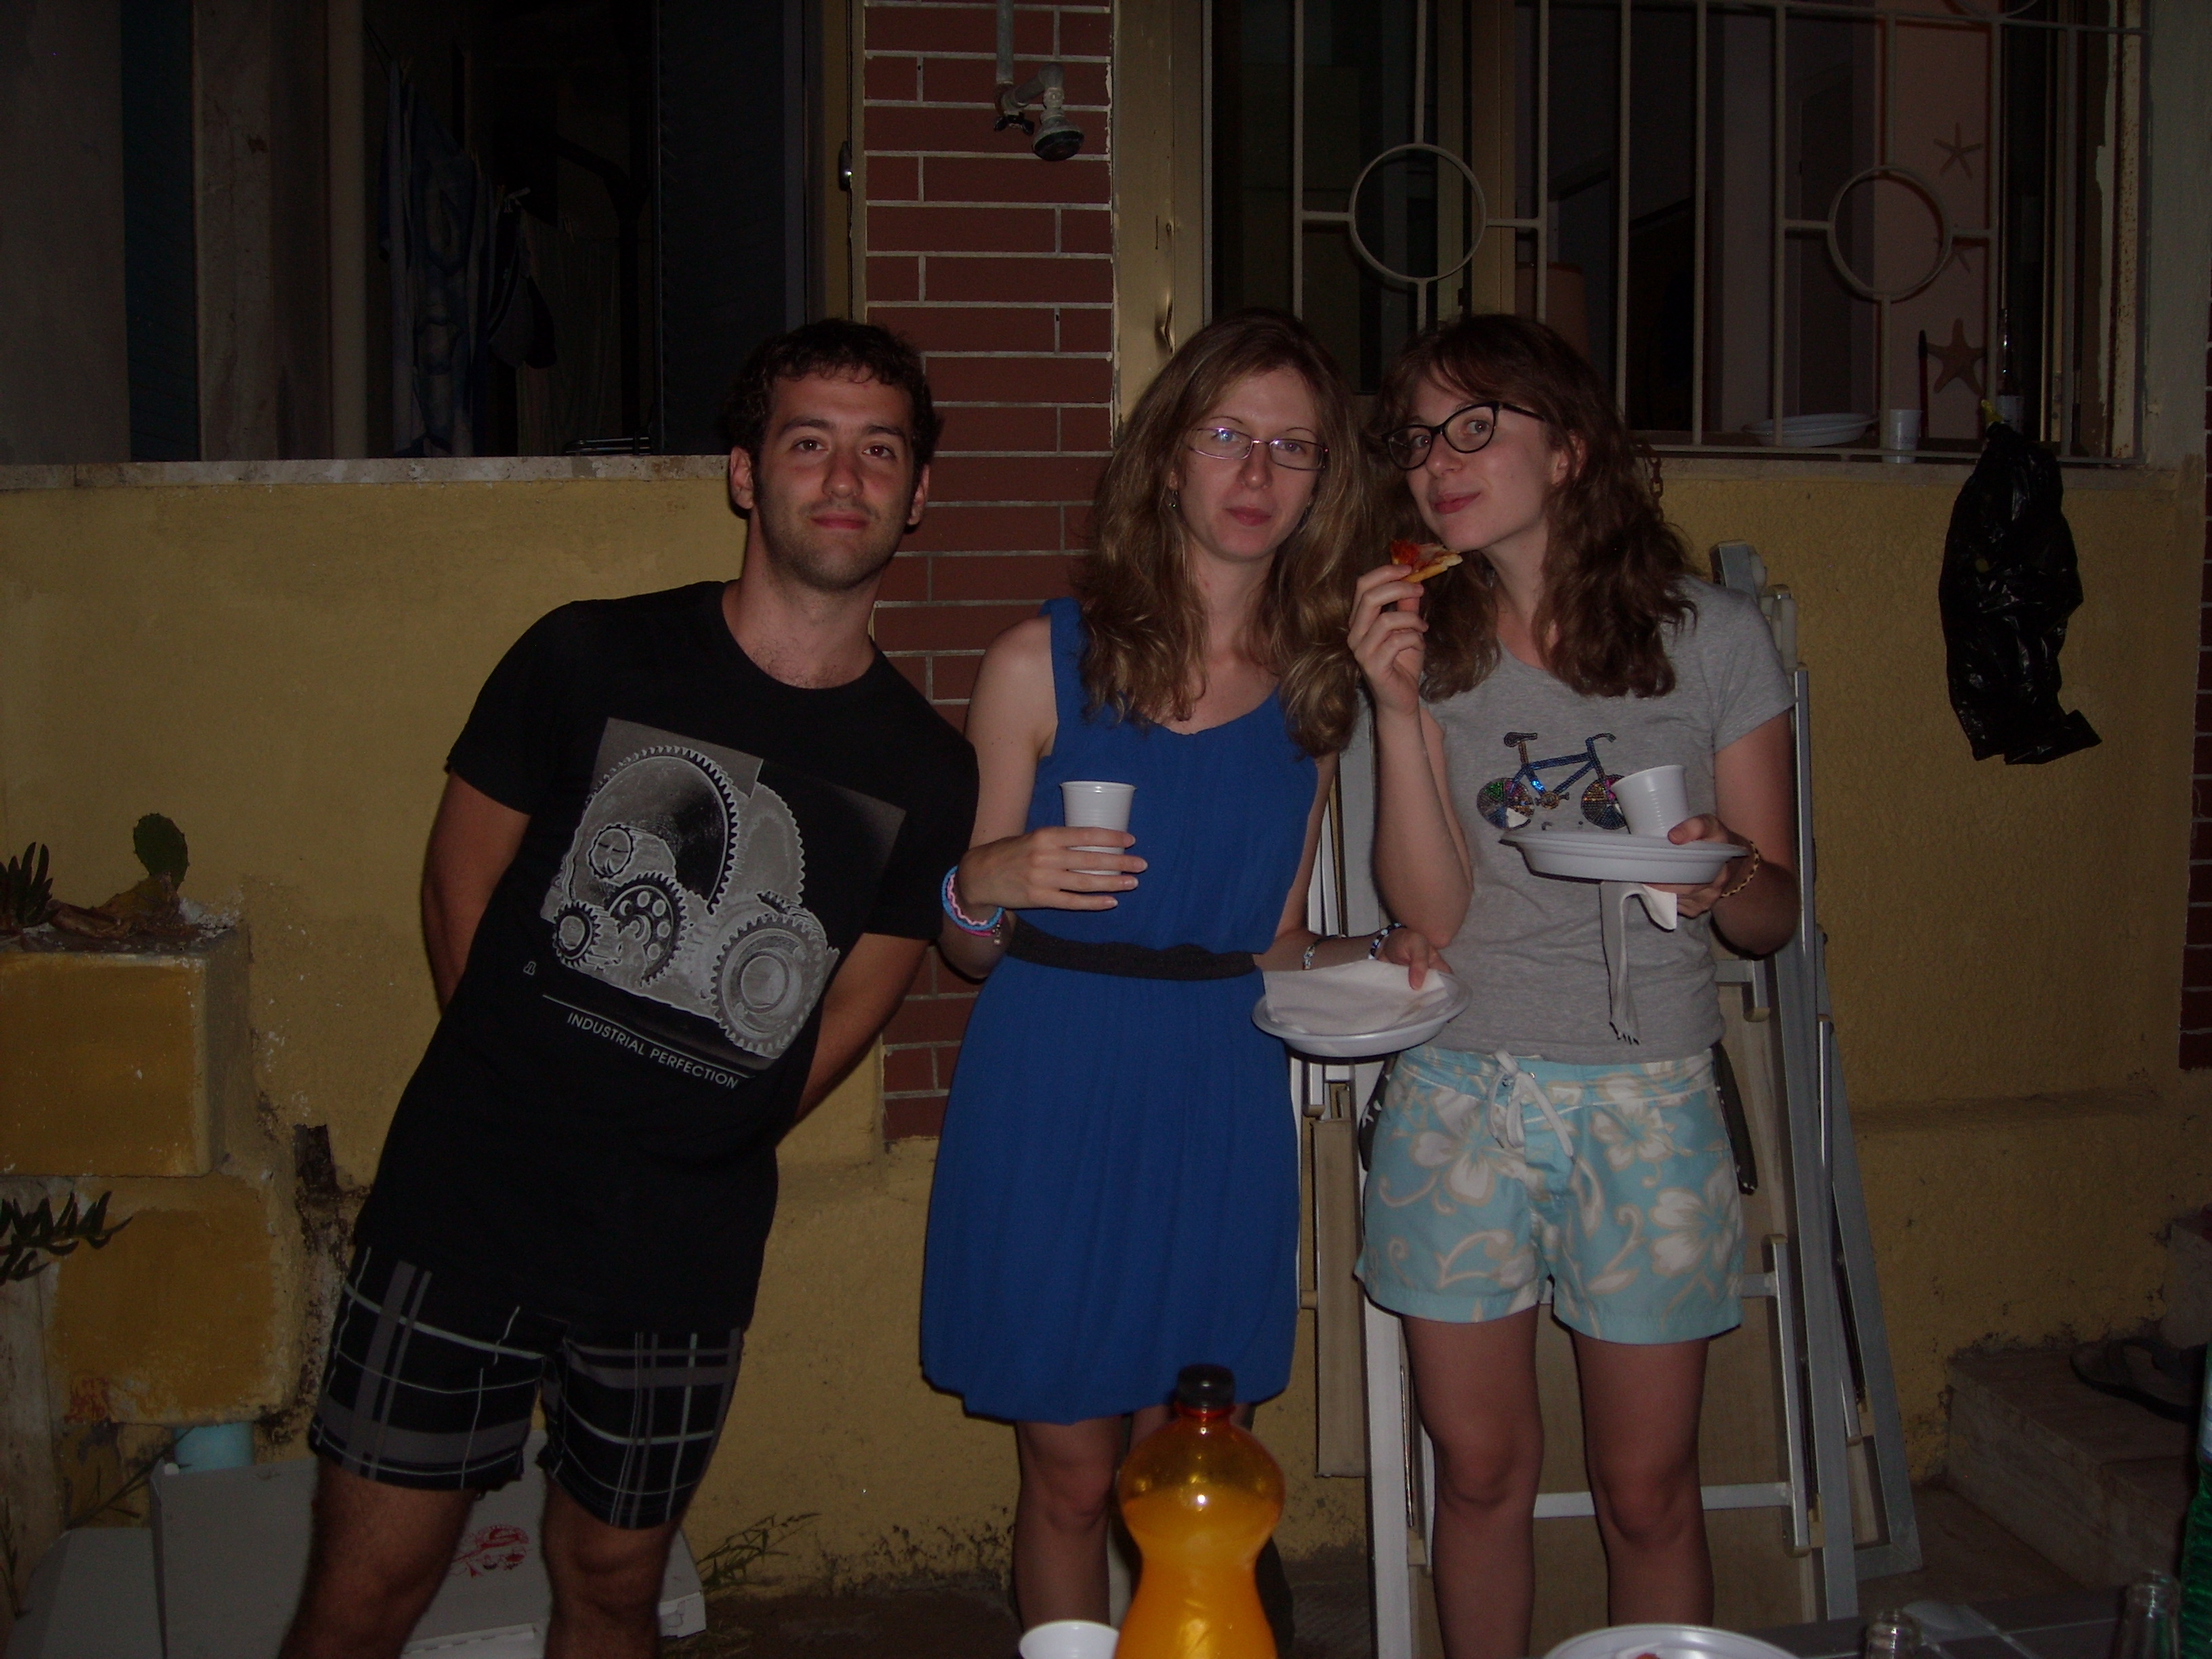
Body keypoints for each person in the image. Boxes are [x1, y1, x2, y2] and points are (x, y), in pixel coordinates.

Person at [281, 320, 977, 1659]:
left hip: (680, 1248)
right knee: (367, 1591)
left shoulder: (927, 770)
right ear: (745, 472)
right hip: (470, 1202)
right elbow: (460, 880)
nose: (845, 478)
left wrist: (724, 1121)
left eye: (880, 451)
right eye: (809, 442)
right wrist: (516, 1085)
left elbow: (859, 996)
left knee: (612, 1586)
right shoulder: (588, 655)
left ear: (918, 493)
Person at [920, 310, 1435, 1631]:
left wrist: (1379, 951)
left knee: (1187, 1474)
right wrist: (986, 879)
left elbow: (1268, 939)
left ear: (1323, 483)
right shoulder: (1038, 663)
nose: (1257, 471)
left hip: (1217, 1088)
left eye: (1292, 447)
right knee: (1069, 1479)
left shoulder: (1317, 697)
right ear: (1166, 458)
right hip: (1053, 1082)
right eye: (1226, 436)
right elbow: (965, 949)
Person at [1346, 313, 1799, 1659]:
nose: (1437, 461)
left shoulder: (1713, 638)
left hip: (1648, 1098)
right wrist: (1395, 711)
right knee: (1479, 1476)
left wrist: (1725, 871)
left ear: (1573, 450)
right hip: (1457, 1095)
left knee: (1646, 1490)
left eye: (1476, 427)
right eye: (1418, 437)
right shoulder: (1428, 643)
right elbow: (1431, 912)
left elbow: (1774, 919)